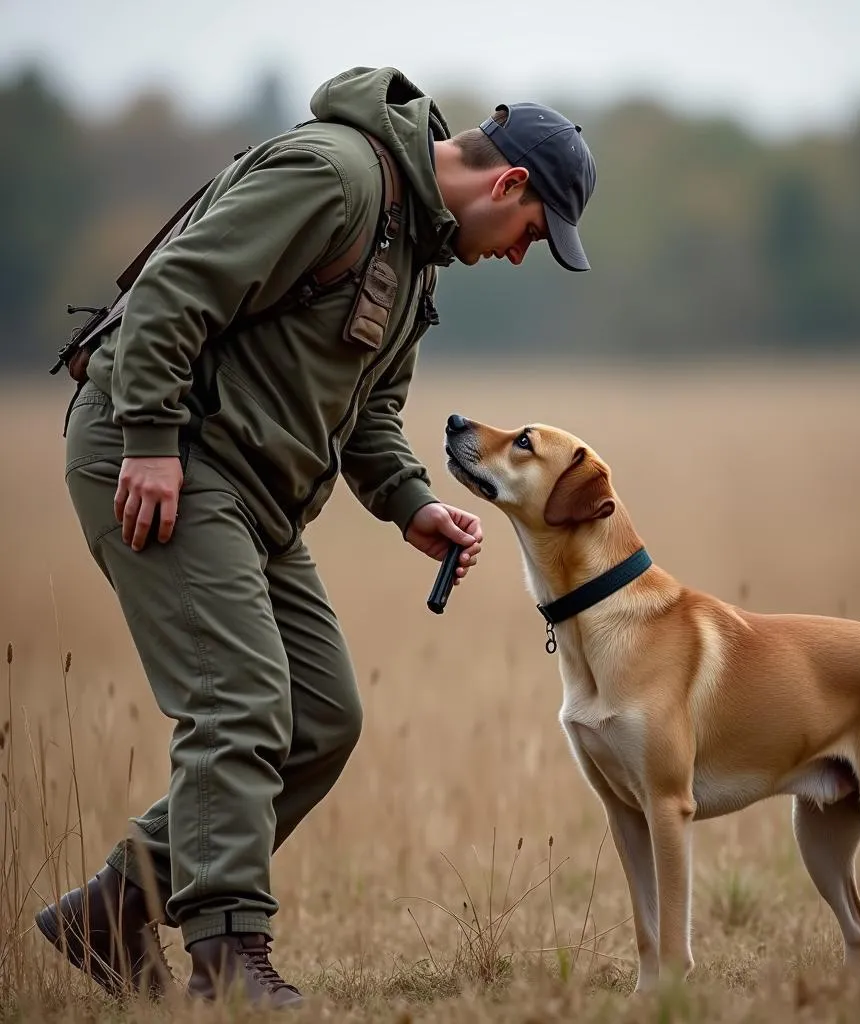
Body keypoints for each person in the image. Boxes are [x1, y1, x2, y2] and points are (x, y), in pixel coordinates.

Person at [36, 65, 597, 1008]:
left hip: (252, 492)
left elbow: (371, 412)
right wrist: (148, 441)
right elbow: (177, 288)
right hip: (166, 452)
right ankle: (228, 960)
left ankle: (113, 908)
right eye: (533, 235)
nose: (517, 255)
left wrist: (413, 501)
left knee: (323, 715)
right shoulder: (337, 178)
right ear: (508, 186)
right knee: (241, 697)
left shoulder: (416, 253)